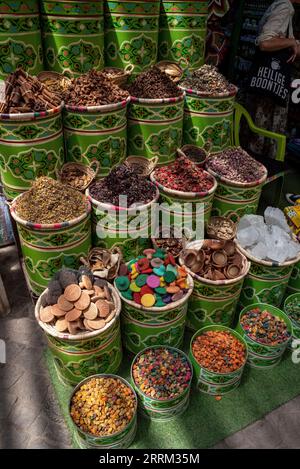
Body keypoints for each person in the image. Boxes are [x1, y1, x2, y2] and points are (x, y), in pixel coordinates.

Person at [244, 0, 300, 159]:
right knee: (263, 133)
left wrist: (292, 43)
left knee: (256, 130)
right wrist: (291, 41)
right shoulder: (285, 7)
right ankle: (261, 168)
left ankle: (254, 166)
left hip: (264, 84)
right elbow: (265, 43)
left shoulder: (279, 4)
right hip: (270, 88)